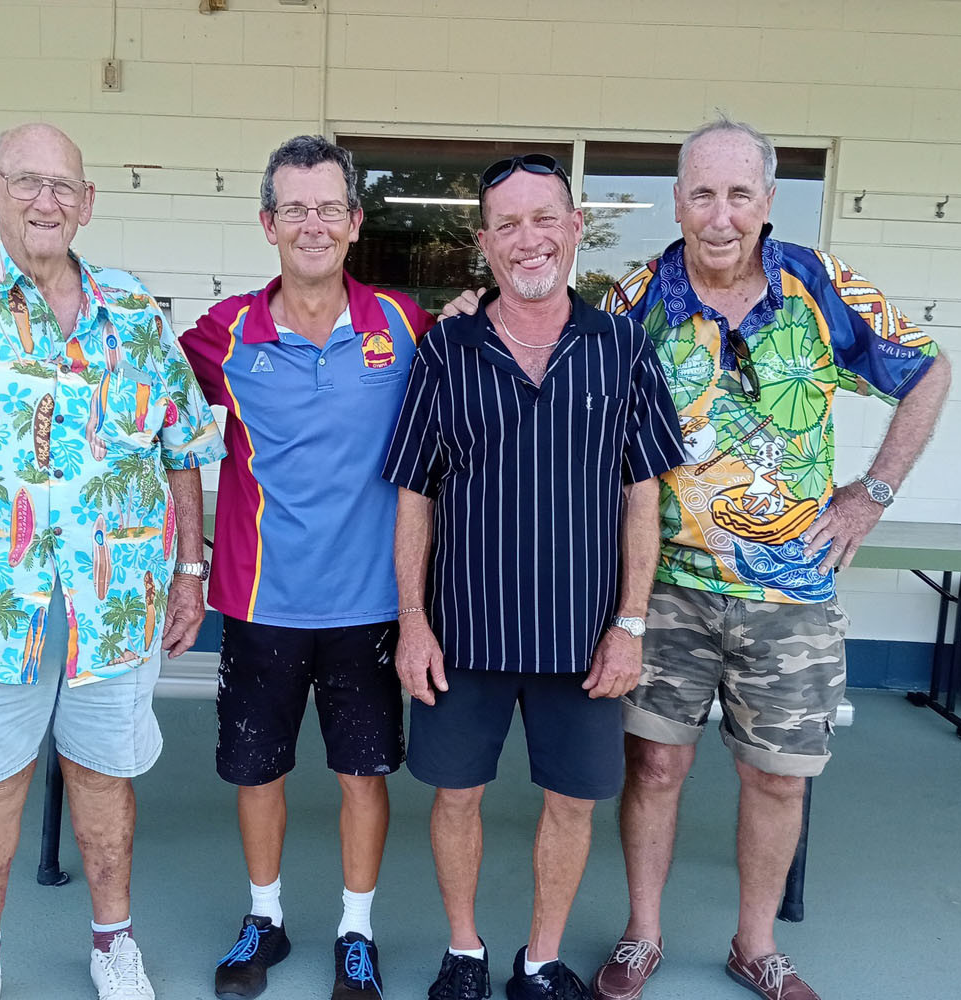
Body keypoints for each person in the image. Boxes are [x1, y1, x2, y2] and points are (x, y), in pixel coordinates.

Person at [585, 119, 952, 1000]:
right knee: (656, 767)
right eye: (702, 193)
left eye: (738, 193)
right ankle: (643, 934)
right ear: (675, 200)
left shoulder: (819, 288)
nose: (719, 215)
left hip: (792, 596)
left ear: (767, 202)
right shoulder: (633, 305)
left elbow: (929, 370)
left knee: (776, 778)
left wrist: (873, 490)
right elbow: (572, 403)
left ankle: (756, 944)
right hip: (665, 587)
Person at [0, 122, 225, 1000]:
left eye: (64, 186)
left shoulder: (134, 314)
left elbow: (180, 444)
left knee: (105, 779)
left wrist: (189, 571)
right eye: (27, 182)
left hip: (114, 601)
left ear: (88, 203)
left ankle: (113, 942)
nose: (45, 202)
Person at [383, 153, 685, 1000]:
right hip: (465, 632)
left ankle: (541, 959)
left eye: (544, 217)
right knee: (455, 798)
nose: (528, 239)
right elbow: (414, 493)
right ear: (484, 242)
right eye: (507, 224)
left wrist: (630, 625)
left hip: (585, 638)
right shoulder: (446, 349)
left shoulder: (623, 349)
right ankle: (466, 949)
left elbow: (642, 498)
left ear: (575, 228)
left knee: (573, 803)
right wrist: (413, 619)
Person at [180, 135, 435, 1000]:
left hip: (370, 604)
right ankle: (265, 919)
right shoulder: (225, 334)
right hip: (261, 600)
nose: (314, 224)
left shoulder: (406, 326)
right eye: (295, 208)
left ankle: (355, 933)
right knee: (258, 769)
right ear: (267, 223)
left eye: (330, 207)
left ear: (356, 222)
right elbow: (145, 400)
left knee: (364, 773)